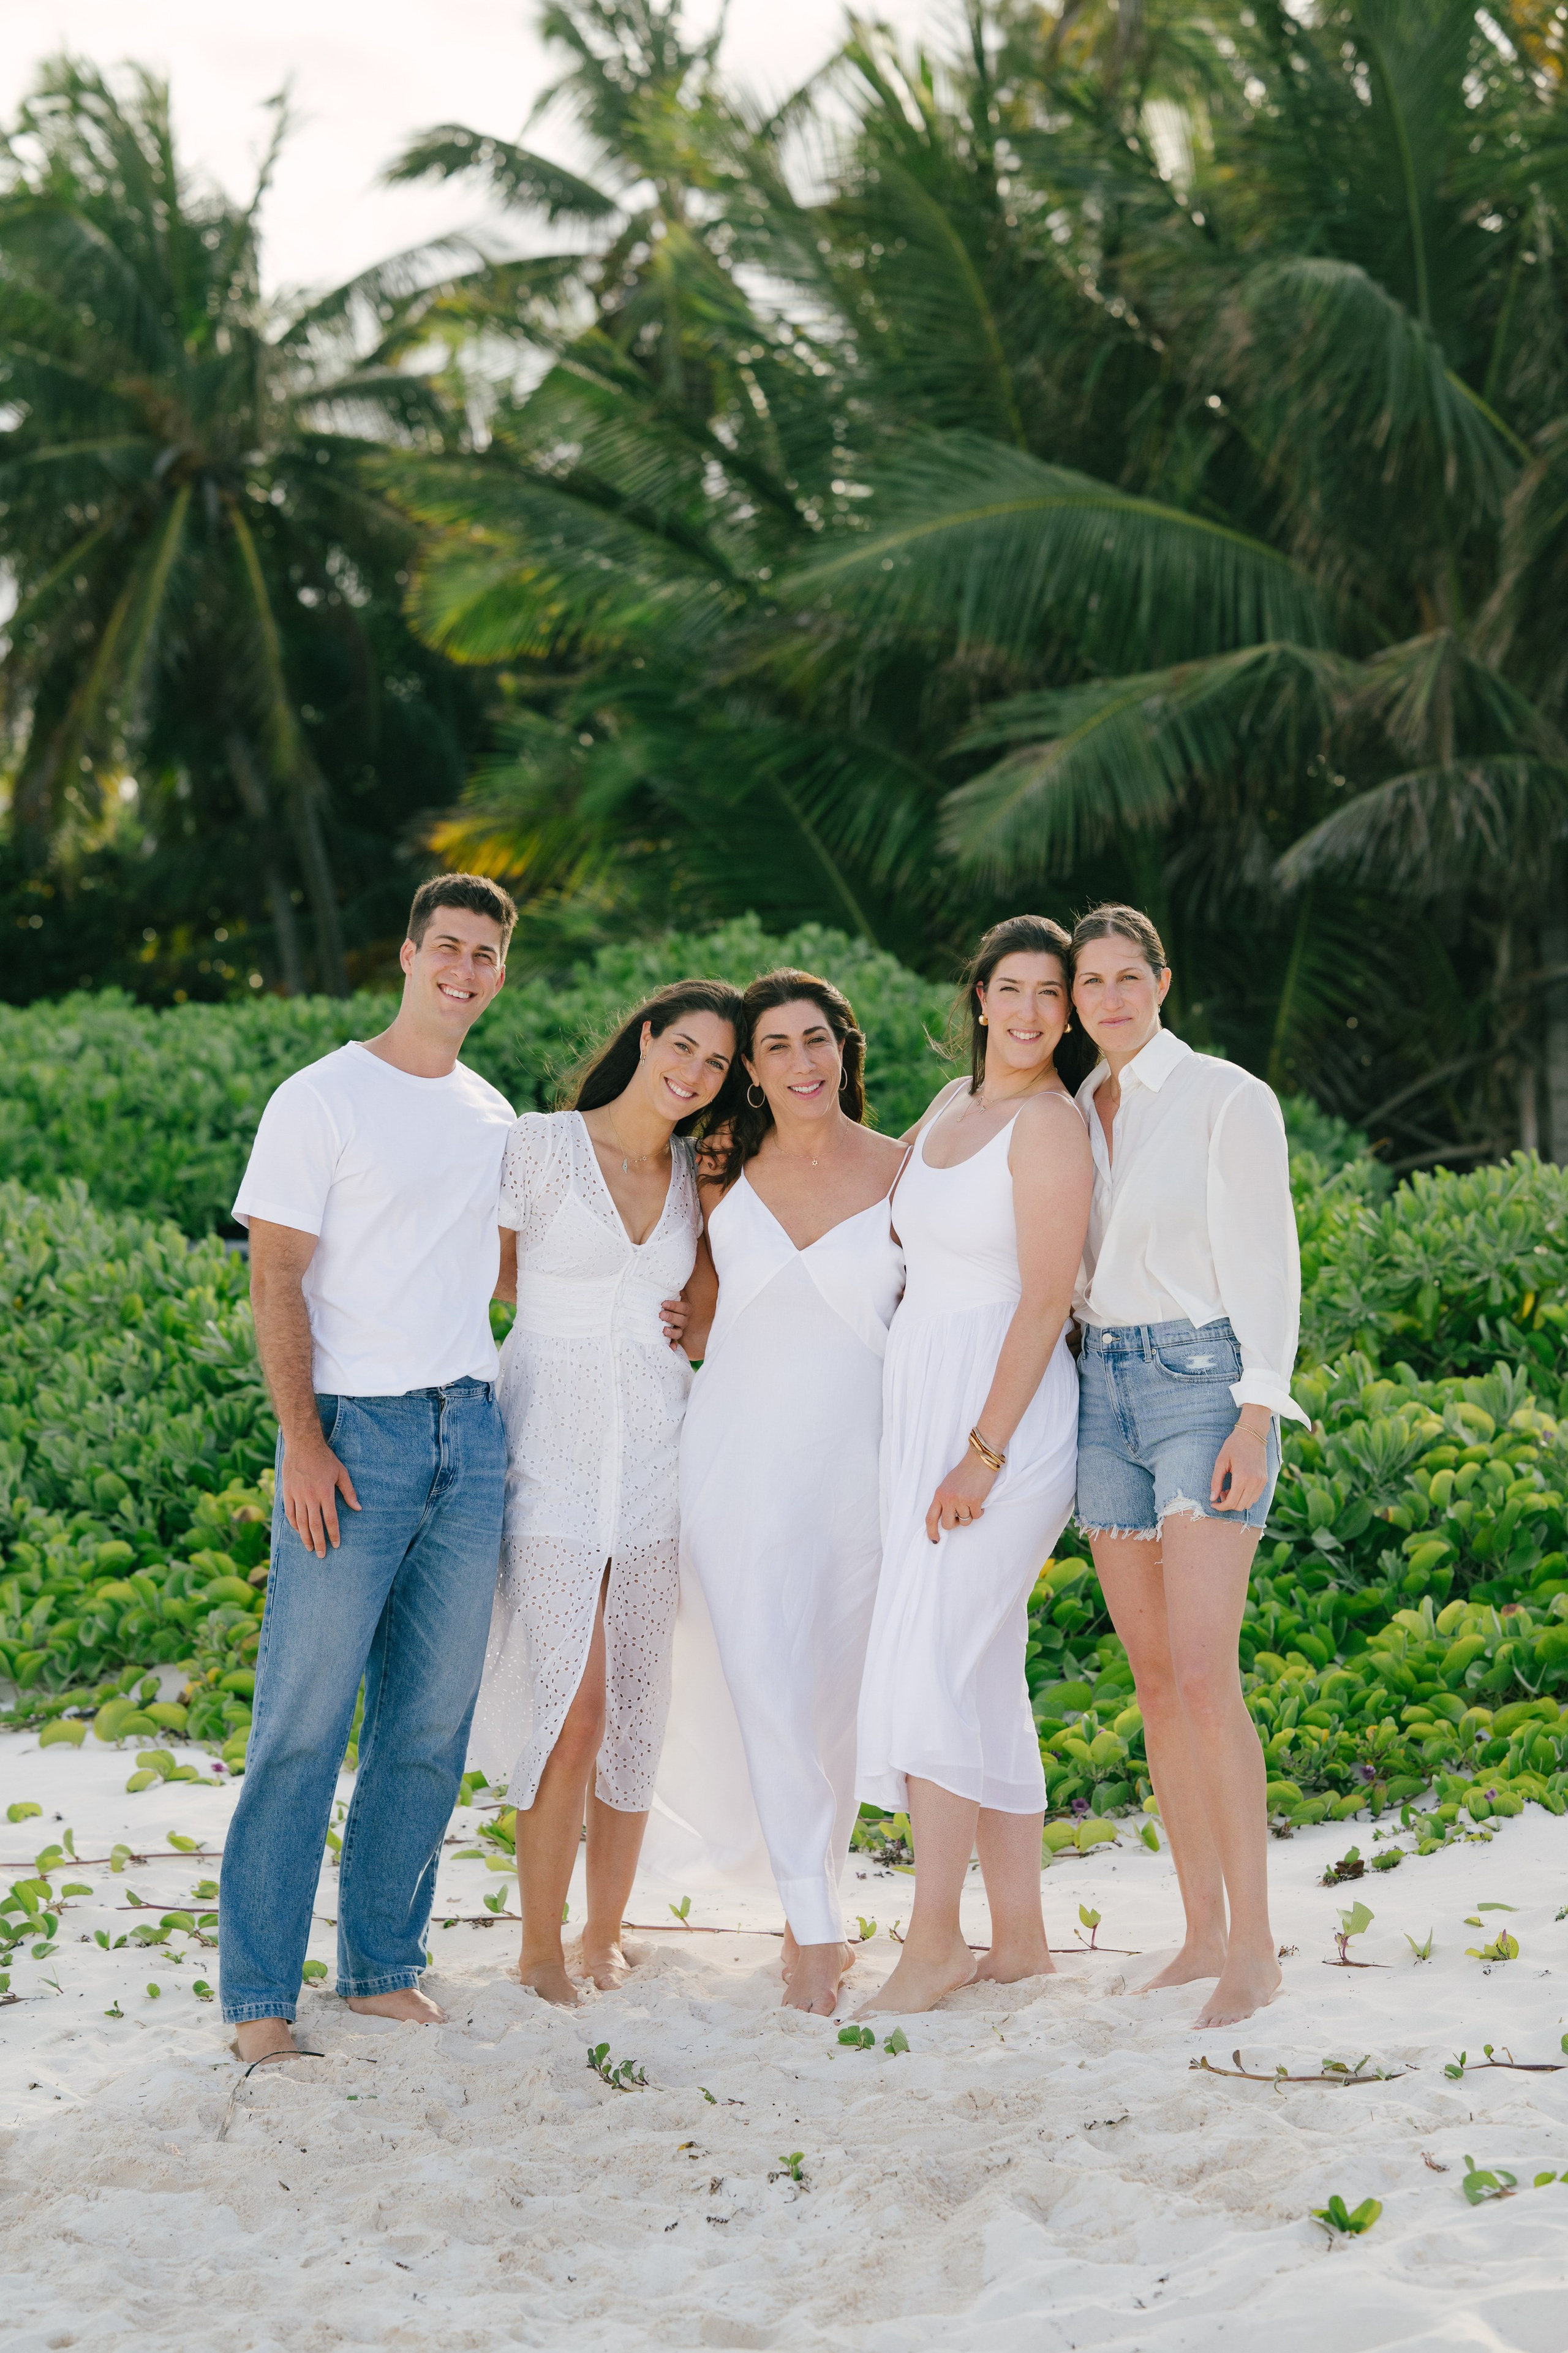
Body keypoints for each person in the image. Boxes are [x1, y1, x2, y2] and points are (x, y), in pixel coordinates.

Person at [219, 874, 519, 2062]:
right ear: (406, 955)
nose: (463, 968)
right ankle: (257, 1998)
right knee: (301, 1720)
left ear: (500, 972)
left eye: (484, 954)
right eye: (445, 946)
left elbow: (501, 1277)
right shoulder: (322, 1096)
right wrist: (301, 1437)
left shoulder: (492, 1113)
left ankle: (381, 1962)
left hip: (472, 1431)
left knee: (427, 1723)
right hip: (354, 1437)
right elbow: (275, 1273)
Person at [469, 980, 743, 2007]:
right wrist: (563, 1318)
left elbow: (708, 1307)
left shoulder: (694, 1174)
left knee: (634, 1704)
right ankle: (539, 1945)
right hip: (549, 1446)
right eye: (683, 1046)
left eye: (716, 1063)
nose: (695, 1072)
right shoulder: (542, 1144)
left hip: (659, 1455)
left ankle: (604, 1932)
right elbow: (485, 1272)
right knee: (571, 1706)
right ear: (643, 1039)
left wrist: (673, 1322)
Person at [647, 970, 906, 2017]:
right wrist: (668, 1319)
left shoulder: (908, 1169)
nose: (801, 1064)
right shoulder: (721, 1166)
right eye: (776, 1049)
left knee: (831, 1697)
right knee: (761, 1676)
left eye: (817, 1041)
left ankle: (822, 1891)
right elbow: (705, 1316)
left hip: (861, 1464)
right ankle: (811, 1929)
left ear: (843, 1048)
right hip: (735, 1457)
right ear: (749, 1071)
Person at [1069, 904, 1307, 2028]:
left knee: (1211, 1678)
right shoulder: (1077, 1108)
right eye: (1090, 984)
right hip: (1099, 1390)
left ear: (1164, 980)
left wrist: (1257, 1413)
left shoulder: (1225, 1096)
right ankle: (1200, 1929)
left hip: (1202, 1384)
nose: (1110, 999)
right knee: (1157, 1682)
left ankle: (1255, 1948)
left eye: (1129, 977)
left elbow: (1269, 1258)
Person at [856, 915, 1093, 2015]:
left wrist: (983, 1452)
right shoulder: (952, 1108)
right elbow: (881, 1223)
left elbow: (1045, 1296)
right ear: (980, 998)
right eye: (1013, 989)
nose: (1032, 1012)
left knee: (933, 1664)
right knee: (983, 1667)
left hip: (1006, 1417)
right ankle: (1026, 1941)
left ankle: (935, 1938)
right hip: (928, 1408)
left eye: (1053, 993)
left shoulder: (1048, 1126)